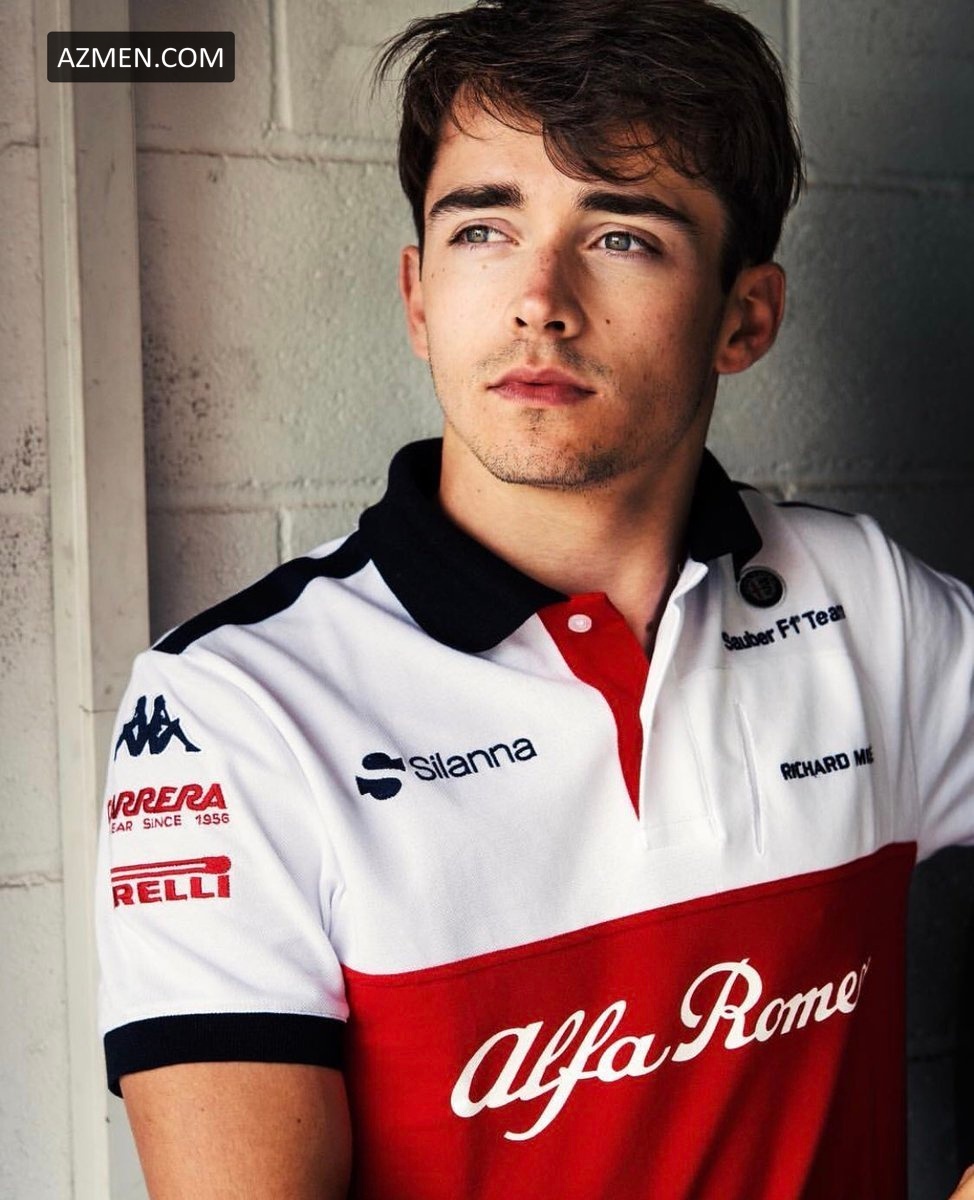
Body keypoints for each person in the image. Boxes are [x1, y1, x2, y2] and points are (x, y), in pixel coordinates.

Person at [96, 1, 974, 1196]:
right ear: (417, 297)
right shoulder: (232, 708)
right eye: (482, 230)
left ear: (743, 317)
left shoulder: (865, 605)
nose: (537, 299)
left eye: (620, 236)